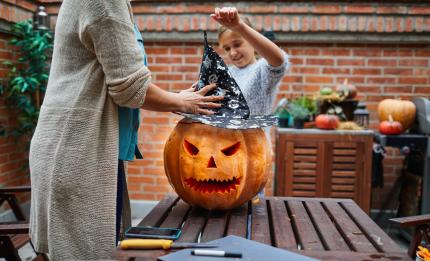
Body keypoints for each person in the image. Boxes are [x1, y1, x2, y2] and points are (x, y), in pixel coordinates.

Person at [28, 0, 223, 260]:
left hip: (71, 148)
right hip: (77, 152)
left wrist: (177, 98)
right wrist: (182, 102)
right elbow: (129, 87)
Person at [211, 7, 290, 197]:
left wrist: (240, 26)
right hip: (222, 154)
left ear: (252, 40)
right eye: (227, 48)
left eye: (237, 44)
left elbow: (279, 61)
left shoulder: (262, 71)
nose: (233, 52)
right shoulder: (226, 73)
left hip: (251, 156)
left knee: (248, 213)